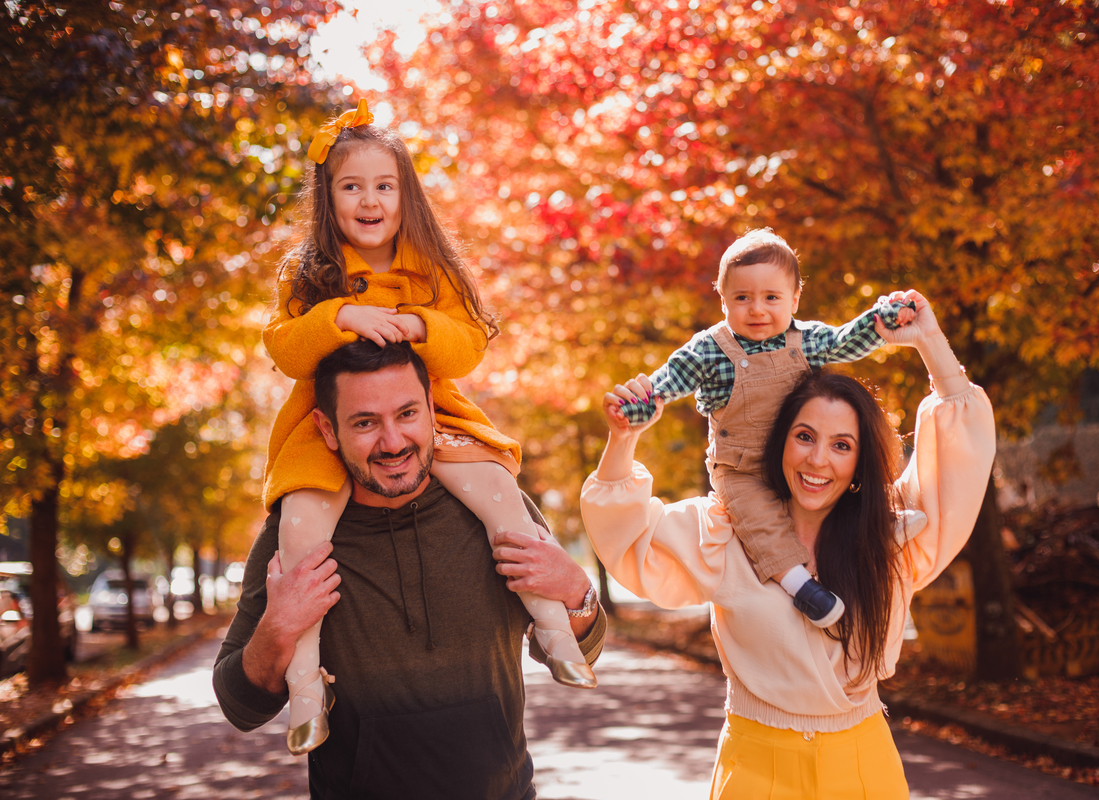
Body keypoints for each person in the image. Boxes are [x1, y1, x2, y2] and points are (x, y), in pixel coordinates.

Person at [263, 100, 595, 755]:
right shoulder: (309, 276)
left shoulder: (430, 269)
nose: (369, 200)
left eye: (384, 186)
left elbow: (468, 347)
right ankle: (306, 692)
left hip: (434, 416)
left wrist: (418, 325)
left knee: (500, 497)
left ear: (406, 196)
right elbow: (282, 347)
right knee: (300, 533)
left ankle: (554, 631)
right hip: (327, 430)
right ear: (326, 199)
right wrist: (341, 318)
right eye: (351, 186)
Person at [583, 291, 995, 799]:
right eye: (804, 436)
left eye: (841, 445)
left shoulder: (890, 535)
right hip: (757, 769)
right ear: (780, 440)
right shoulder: (724, 532)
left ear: (860, 459)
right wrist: (624, 438)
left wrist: (928, 340)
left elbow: (959, 461)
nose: (818, 460)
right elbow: (628, 537)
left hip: (864, 768)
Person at [214, 340, 605, 799]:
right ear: (327, 429)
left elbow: (583, 648)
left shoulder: (493, 508)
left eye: (407, 414)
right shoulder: (293, 536)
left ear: (433, 410)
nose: (393, 442)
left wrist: (579, 592)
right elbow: (240, 706)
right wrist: (277, 629)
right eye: (365, 423)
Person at [616, 228, 915, 627]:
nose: (757, 310)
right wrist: (641, 403)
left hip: (800, 457)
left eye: (771, 298)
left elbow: (847, 340)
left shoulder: (806, 340)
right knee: (760, 523)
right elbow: (669, 380)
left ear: (794, 299)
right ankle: (802, 588)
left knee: (835, 481)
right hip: (743, 468)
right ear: (722, 301)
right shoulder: (709, 349)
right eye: (742, 298)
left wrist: (882, 320)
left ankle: (880, 528)